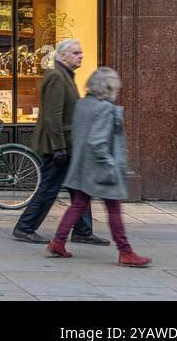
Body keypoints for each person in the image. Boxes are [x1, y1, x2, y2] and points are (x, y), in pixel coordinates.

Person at [46, 67, 151, 267]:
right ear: (109, 87)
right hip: (101, 169)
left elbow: (80, 134)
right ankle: (125, 251)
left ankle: (58, 242)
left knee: (78, 203)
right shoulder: (105, 109)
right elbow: (97, 141)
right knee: (114, 209)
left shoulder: (82, 105)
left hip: (84, 165)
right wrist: (110, 164)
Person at [11, 39, 109, 245]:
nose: (80, 55)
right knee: (49, 188)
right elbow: (52, 116)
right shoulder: (56, 76)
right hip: (58, 145)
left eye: (80, 52)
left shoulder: (65, 75)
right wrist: (59, 147)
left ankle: (82, 230)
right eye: (75, 53)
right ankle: (25, 227)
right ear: (63, 56)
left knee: (79, 188)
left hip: (68, 144)